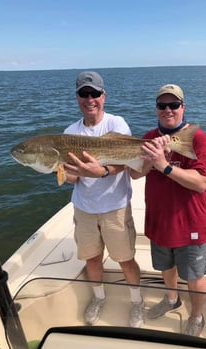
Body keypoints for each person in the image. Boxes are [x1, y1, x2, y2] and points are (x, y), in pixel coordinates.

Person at [131, 84, 206, 337]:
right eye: (162, 105)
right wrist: (149, 160)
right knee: (166, 268)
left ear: (182, 107)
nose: (168, 110)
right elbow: (135, 174)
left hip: (191, 222)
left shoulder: (197, 139)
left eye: (174, 105)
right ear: (156, 109)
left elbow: (201, 182)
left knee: (194, 274)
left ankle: (197, 317)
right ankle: (171, 299)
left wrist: (164, 165)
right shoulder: (148, 137)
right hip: (159, 219)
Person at [63, 71, 144, 328]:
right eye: (84, 94)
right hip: (84, 208)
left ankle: (137, 301)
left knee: (125, 259)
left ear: (103, 96)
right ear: (77, 98)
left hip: (115, 206)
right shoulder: (70, 132)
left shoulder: (116, 124)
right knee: (92, 258)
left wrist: (102, 172)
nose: (90, 99)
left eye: (94, 93)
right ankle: (98, 298)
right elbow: (71, 178)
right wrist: (67, 173)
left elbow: (127, 158)